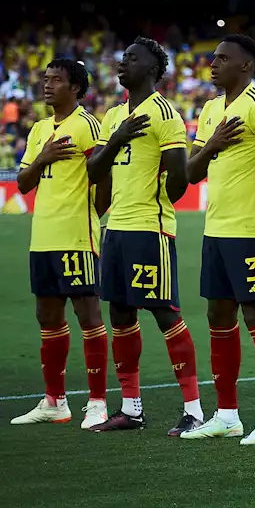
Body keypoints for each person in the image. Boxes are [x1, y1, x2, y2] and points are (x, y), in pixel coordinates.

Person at [85, 38, 202, 435]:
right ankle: (131, 408)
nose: (122, 64)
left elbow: (180, 177)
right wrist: (117, 138)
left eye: (132, 59)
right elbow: (94, 170)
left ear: (152, 70)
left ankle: (194, 409)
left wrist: (155, 210)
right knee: (119, 313)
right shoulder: (113, 114)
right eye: (122, 58)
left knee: (163, 311)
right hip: (115, 228)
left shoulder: (165, 114)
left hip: (149, 230)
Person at [180, 36, 255, 445]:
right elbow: (191, 173)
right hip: (215, 231)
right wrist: (211, 145)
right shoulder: (210, 109)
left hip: (250, 233)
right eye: (213, 56)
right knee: (218, 318)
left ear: (246, 66)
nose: (213, 63)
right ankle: (227, 414)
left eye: (223, 58)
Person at [9, 60, 110, 429]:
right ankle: (55, 401)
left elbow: (105, 181)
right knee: (47, 318)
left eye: (57, 80)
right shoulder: (38, 130)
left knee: (88, 315)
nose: (48, 85)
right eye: (45, 78)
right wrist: (43, 158)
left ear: (77, 88)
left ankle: (97, 401)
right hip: (43, 236)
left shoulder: (87, 125)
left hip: (76, 236)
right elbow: (22, 183)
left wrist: (86, 219)